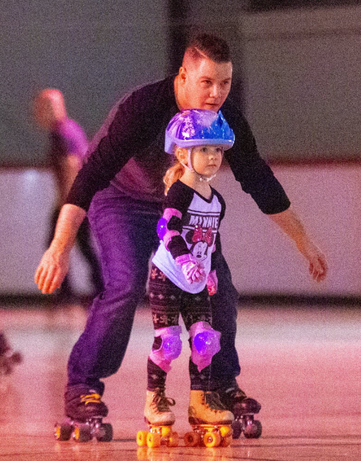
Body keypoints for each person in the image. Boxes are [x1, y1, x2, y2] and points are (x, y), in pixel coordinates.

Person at [34, 34, 327, 424]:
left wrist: (303, 241)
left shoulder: (225, 118)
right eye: (206, 83)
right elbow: (90, 175)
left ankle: (217, 385)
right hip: (122, 199)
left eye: (224, 83)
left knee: (217, 286)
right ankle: (82, 385)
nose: (216, 94)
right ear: (183, 76)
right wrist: (59, 247)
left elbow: (257, 178)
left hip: (186, 205)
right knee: (124, 284)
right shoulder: (144, 108)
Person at [145, 108, 234, 428]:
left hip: (196, 280)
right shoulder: (180, 191)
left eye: (217, 150)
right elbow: (166, 229)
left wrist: (209, 270)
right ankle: (154, 399)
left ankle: (200, 402)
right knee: (168, 343)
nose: (213, 157)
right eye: (204, 149)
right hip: (168, 276)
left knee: (205, 341)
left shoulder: (217, 201)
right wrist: (184, 261)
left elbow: (212, 239)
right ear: (183, 154)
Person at [33, 89, 103, 303]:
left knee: (60, 243)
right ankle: (84, 287)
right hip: (81, 196)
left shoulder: (61, 133)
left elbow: (70, 165)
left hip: (74, 199)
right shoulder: (69, 128)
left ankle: (73, 289)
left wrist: (67, 202)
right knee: (78, 243)